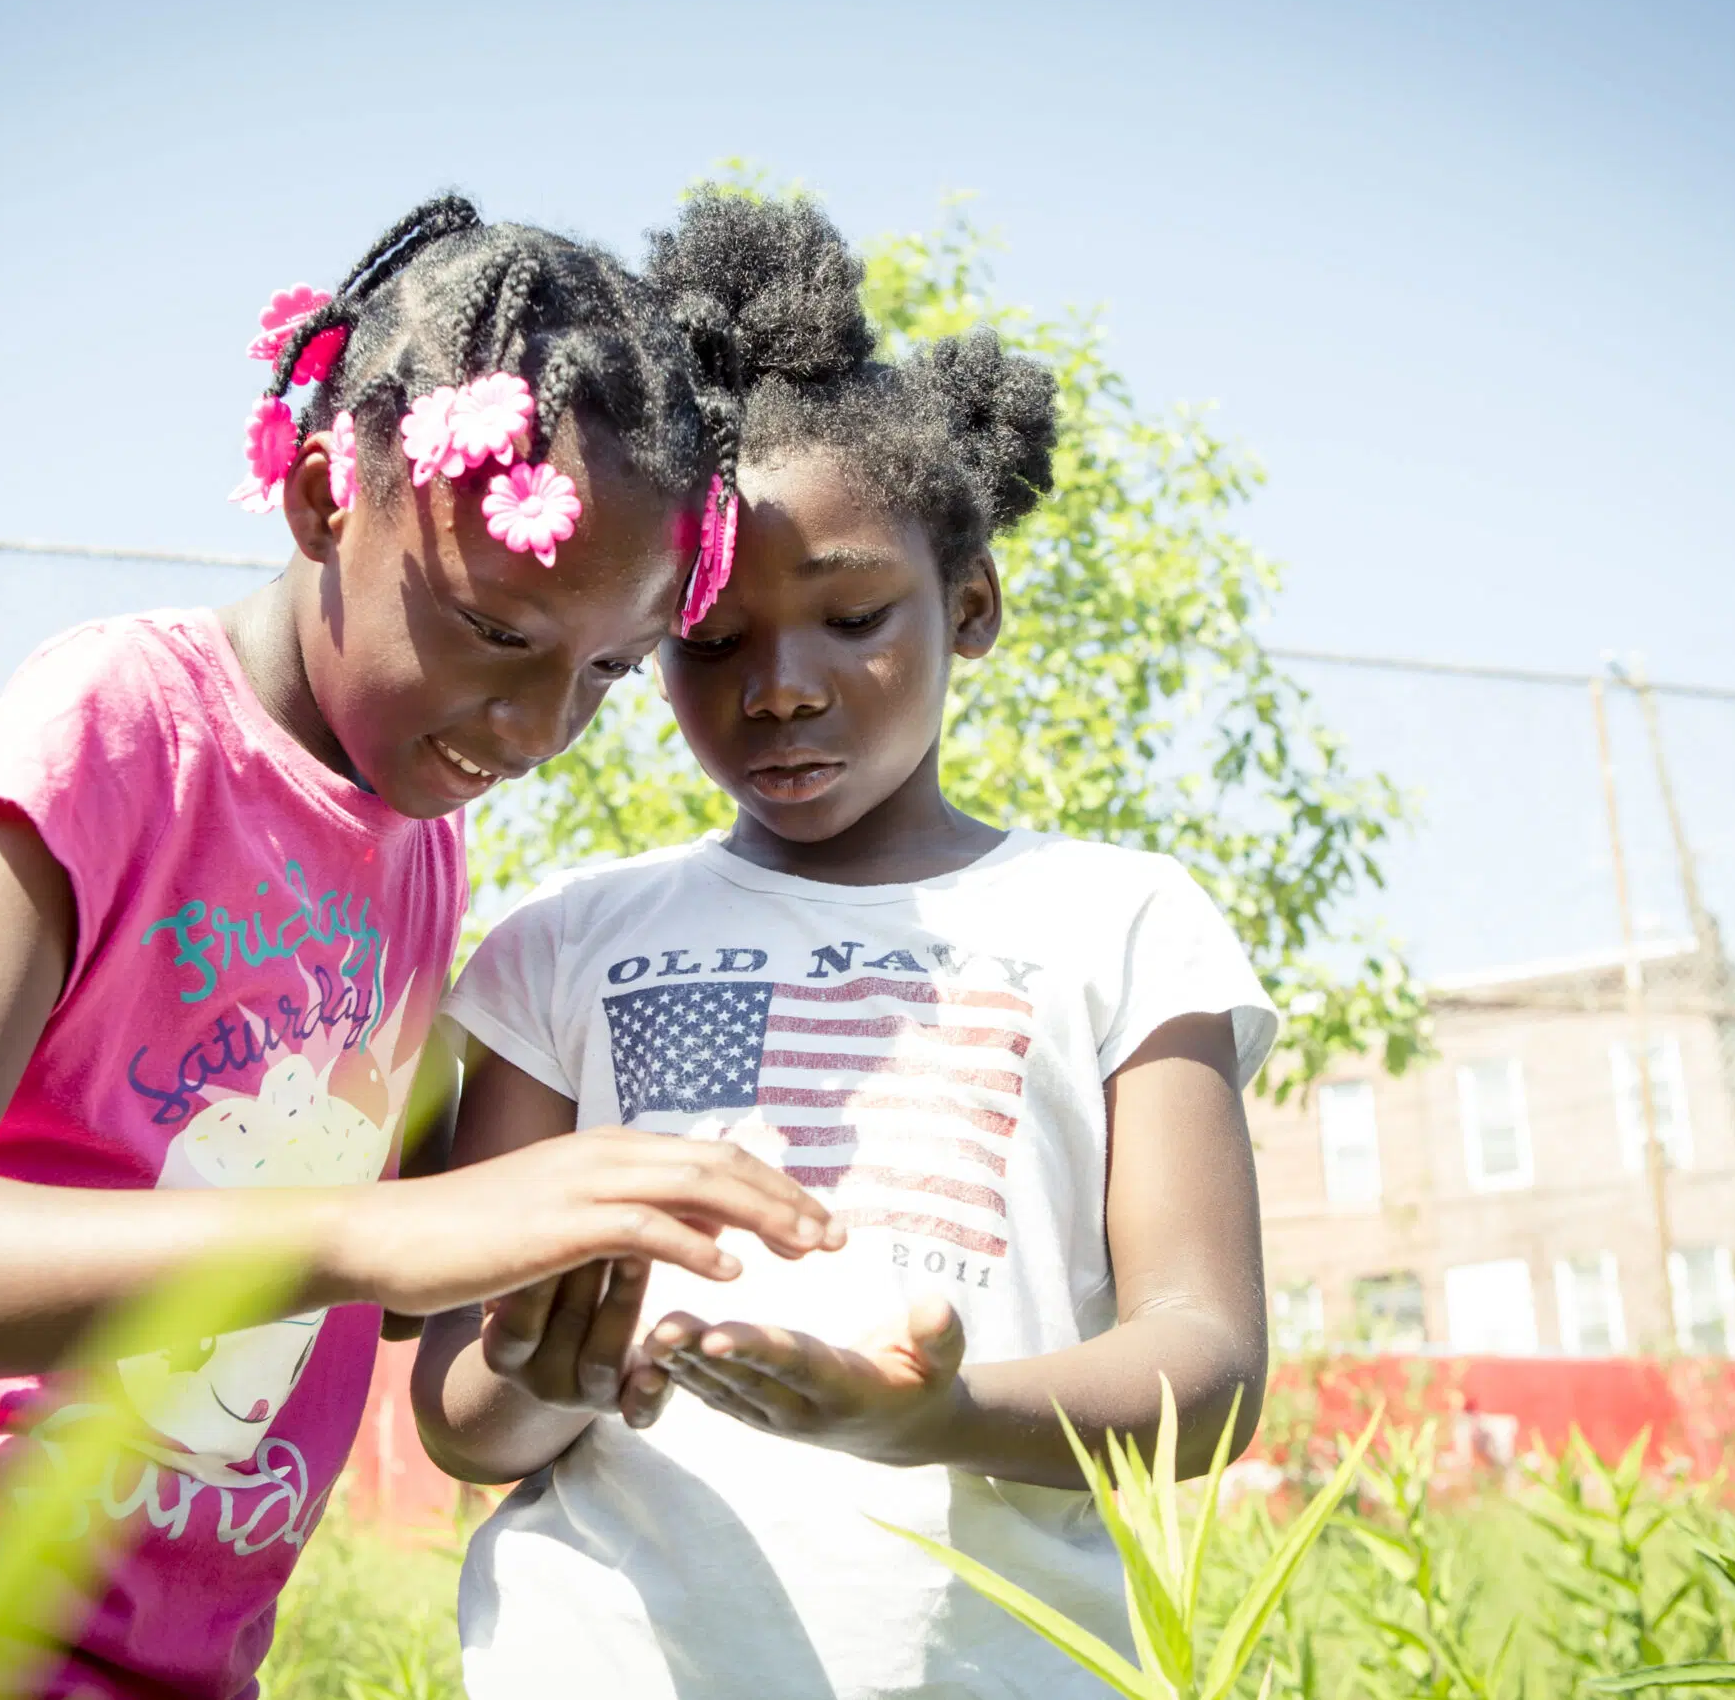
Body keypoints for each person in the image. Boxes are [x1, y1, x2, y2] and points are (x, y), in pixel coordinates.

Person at [0, 194, 846, 1700]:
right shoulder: (124, 728)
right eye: (496, 632)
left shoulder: (419, 831)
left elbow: (384, 1250)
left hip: (176, 1655)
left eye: (605, 673)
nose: (540, 729)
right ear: (319, 499)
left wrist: (566, 1259)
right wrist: (373, 1236)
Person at [416, 190, 1283, 1699]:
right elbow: (455, 1411)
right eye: (712, 639)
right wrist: (531, 1376)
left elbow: (1207, 1360)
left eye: (855, 615)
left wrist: (938, 1416)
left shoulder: (1124, 926)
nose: (784, 688)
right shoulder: (558, 947)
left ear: (974, 603)